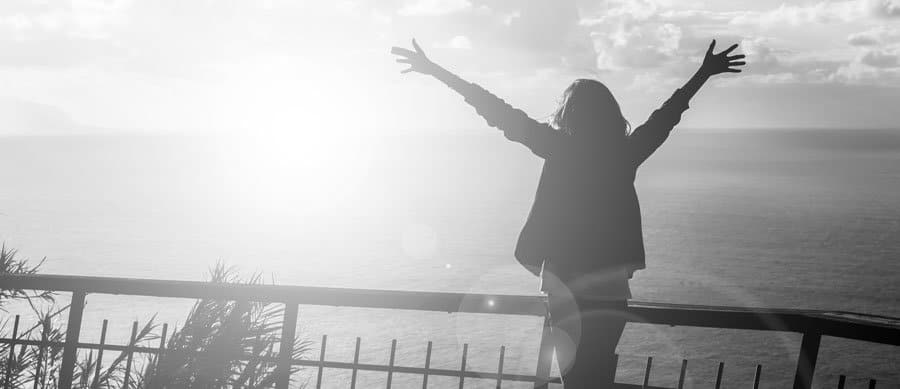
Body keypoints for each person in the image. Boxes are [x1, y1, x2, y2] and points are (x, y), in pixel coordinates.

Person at [392, 39, 745, 388]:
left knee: (575, 378)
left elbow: (495, 109)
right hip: (610, 288)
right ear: (611, 114)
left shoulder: (558, 148)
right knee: (598, 374)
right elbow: (665, 117)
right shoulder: (624, 154)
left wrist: (434, 70)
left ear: (568, 113)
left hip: (564, 286)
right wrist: (703, 73)